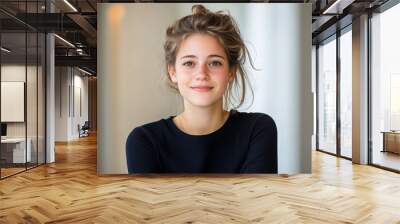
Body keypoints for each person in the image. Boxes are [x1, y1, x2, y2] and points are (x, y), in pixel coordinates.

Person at [126, 4, 277, 173]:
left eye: (214, 63)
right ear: (173, 72)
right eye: (189, 63)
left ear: (231, 72)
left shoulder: (258, 129)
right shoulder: (144, 140)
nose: (202, 74)